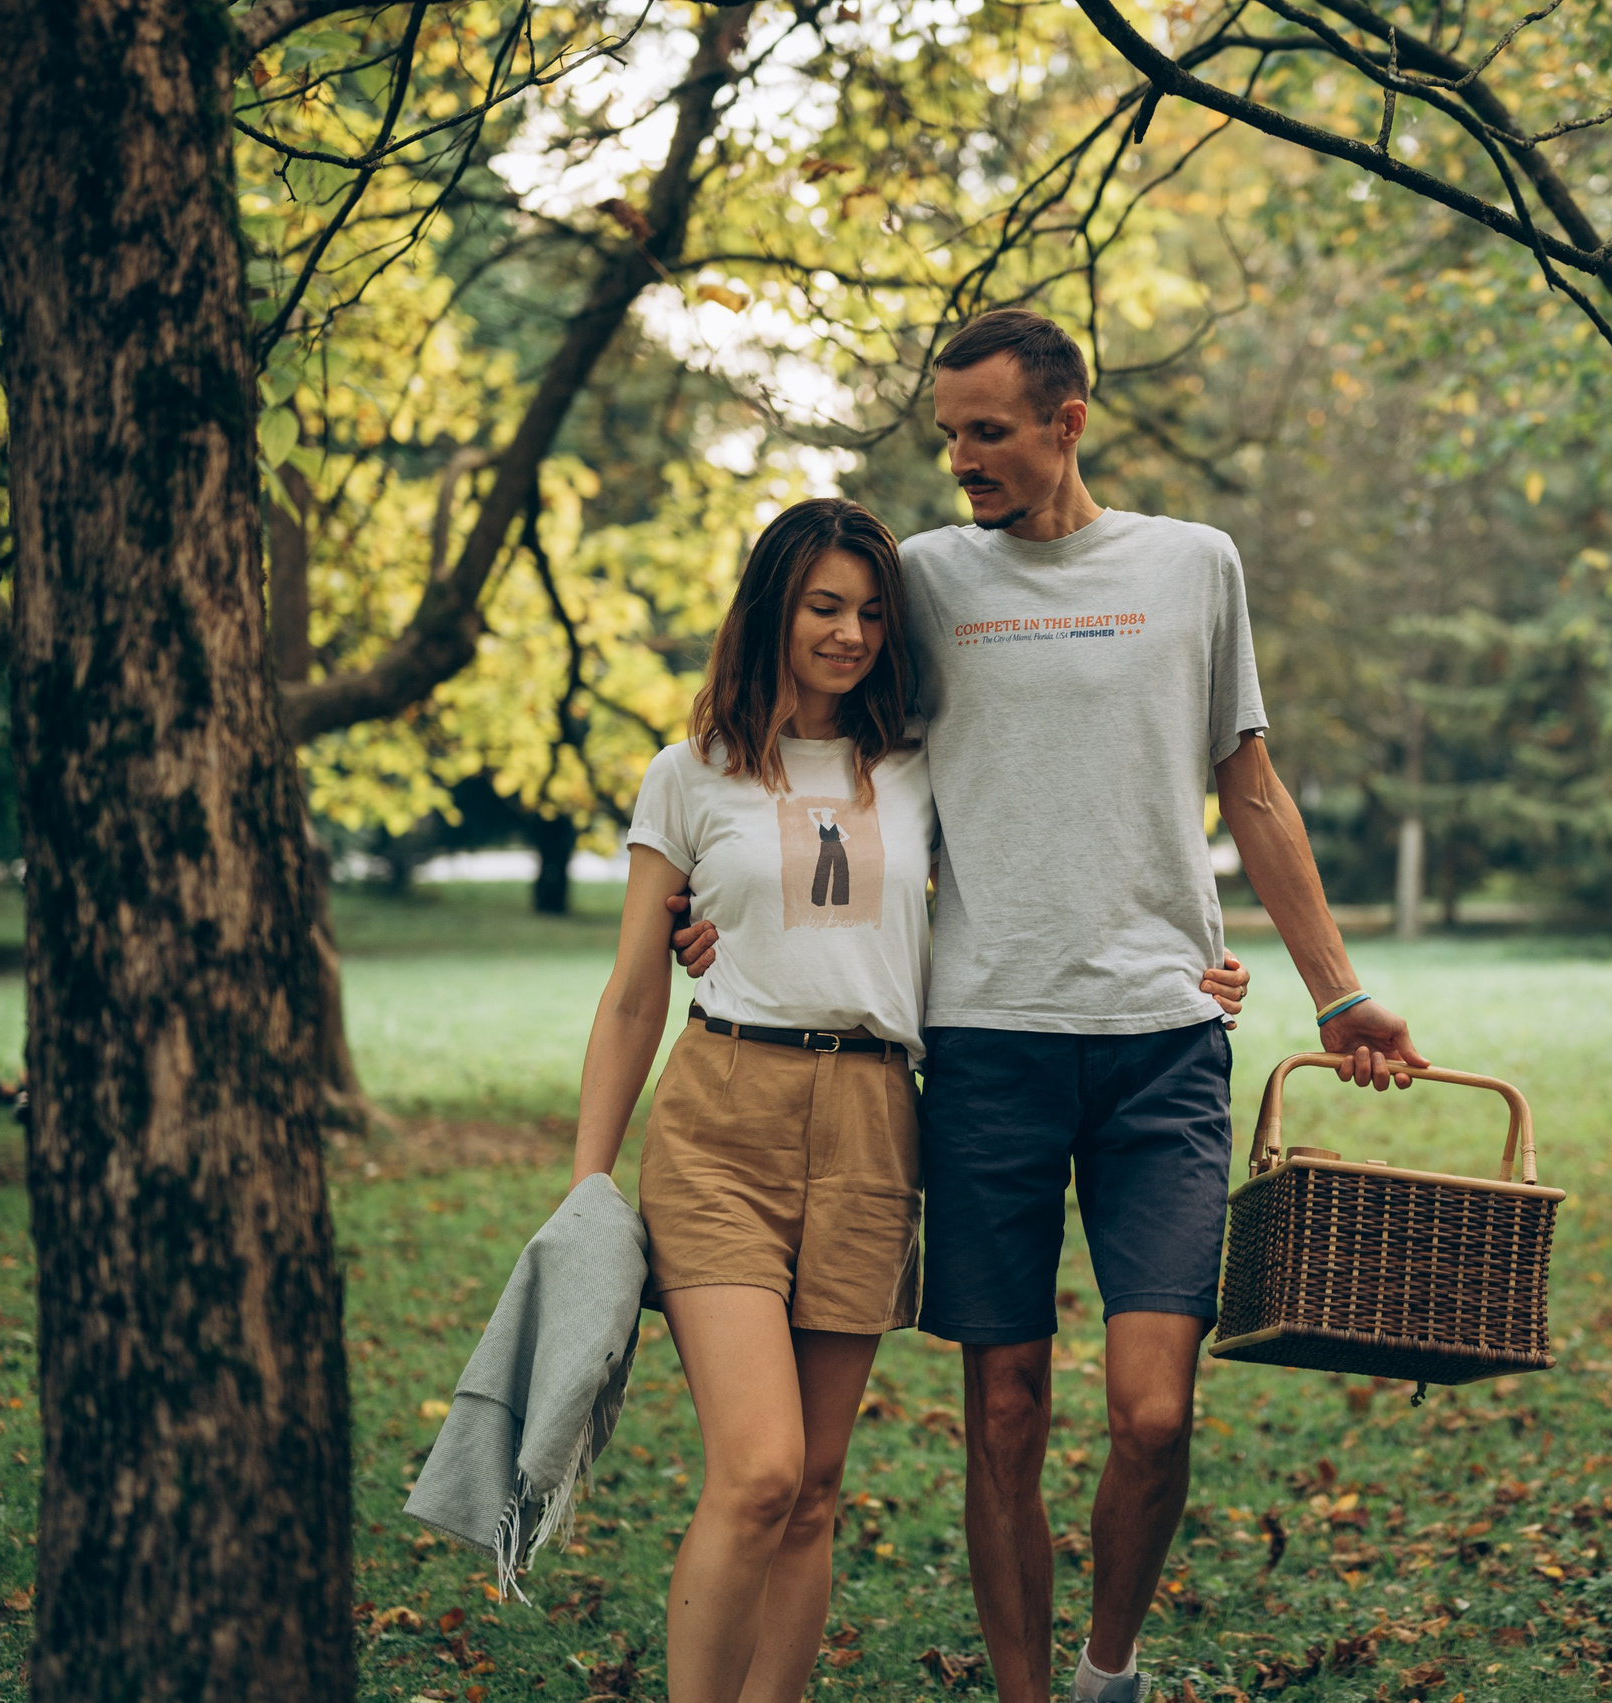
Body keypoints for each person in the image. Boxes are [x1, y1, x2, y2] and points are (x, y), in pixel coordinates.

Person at [673, 310, 1428, 1703]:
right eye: (948, 433)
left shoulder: (1195, 565)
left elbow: (1249, 787)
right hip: (983, 1046)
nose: (961, 459)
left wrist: (1343, 992)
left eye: (989, 432)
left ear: (1067, 419)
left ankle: (1108, 1668)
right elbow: (828, 736)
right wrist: (710, 891)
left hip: (1161, 1043)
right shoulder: (930, 579)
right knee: (1006, 1406)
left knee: (1151, 1406)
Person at [573, 495, 1250, 1703]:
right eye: (823, 607)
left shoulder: (917, 766)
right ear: (770, 609)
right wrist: (586, 1179)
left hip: (876, 1119)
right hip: (724, 1111)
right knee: (759, 1470)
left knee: (818, 1483)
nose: (849, 634)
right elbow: (633, 993)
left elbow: (1055, 842)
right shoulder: (688, 776)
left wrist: (1181, 953)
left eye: (874, 614)